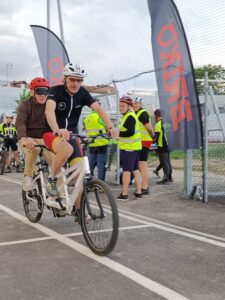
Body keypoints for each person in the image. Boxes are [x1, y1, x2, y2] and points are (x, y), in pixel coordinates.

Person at [43, 63, 118, 202]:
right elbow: (49, 111)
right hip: (51, 132)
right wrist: (57, 130)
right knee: (66, 150)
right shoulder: (55, 90)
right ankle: (52, 178)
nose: (76, 84)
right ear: (65, 79)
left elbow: (99, 109)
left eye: (79, 80)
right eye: (72, 79)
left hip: (71, 134)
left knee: (80, 176)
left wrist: (110, 127)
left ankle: (81, 212)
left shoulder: (83, 93)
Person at [16, 77, 54, 194]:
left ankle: (56, 190)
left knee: (56, 159)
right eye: (40, 91)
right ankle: (27, 177)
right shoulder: (24, 105)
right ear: (32, 92)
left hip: (44, 138)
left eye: (46, 91)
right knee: (35, 149)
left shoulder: (50, 104)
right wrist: (24, 138)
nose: (43, 95)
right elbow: (20, 122)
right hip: (28, 138)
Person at [117, 95, 142, 201]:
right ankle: (139, 192)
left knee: (126, 171)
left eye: (122, 106)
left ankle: (124, 193)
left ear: (128, 106)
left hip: (129, 148)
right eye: (119, 105)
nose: (120, 107)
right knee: (135, 170)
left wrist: (118, 133)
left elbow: (130, 132)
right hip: (134, 147)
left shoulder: (130, 116)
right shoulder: (128, 115)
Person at [83, 98, 108, 181]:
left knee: (91, 163)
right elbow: (107, 127)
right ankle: (101, 182)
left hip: (92, 143)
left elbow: (86, 129)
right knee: (101, 164)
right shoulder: (100, 117)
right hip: (102, 143)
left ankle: (90, 181)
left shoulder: (87, 118)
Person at [133, 96, 154, 195]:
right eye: (133, 103)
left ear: (140, 104)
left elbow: (149, 128)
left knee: (142, 165)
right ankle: (141, 185)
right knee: (139, 165)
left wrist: (153, 136)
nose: (135, 105)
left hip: (144, 142)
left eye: (136, 103)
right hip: (138, 142)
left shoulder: (142, 113)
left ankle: (145, 186)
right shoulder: (135, 113)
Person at [153, 109, 173, 184]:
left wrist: (151, 141)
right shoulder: (167, 123)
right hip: (169, 145)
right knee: (167, 162)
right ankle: (170, 177)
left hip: (162, 146)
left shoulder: (158, 124)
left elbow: (155, 137)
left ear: (156, 116)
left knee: (164, 163)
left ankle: (166, 179)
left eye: (155, 116)